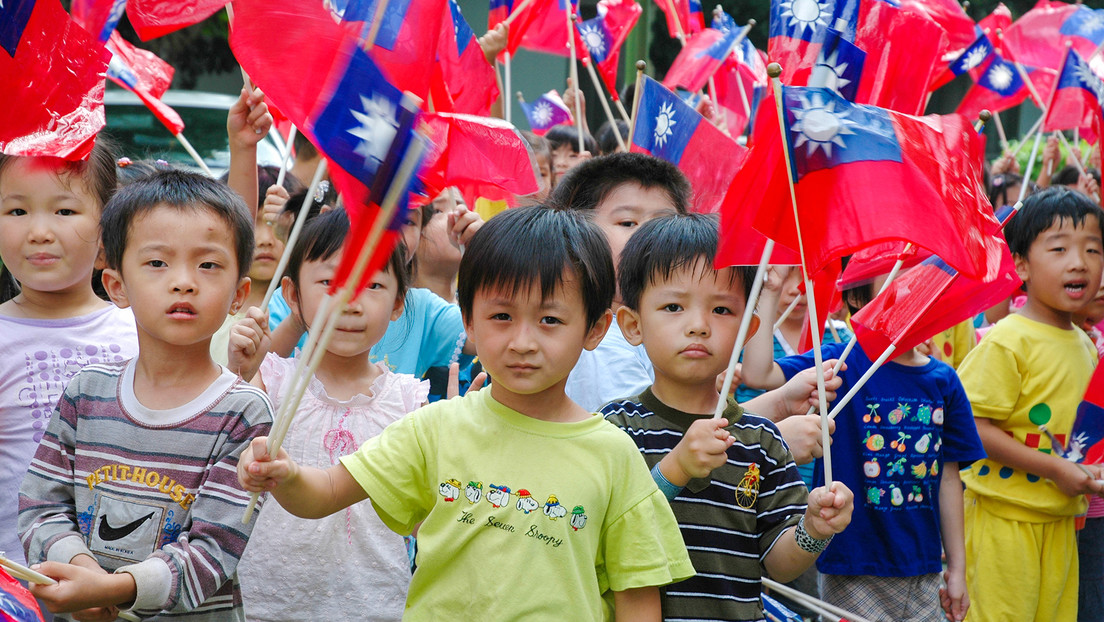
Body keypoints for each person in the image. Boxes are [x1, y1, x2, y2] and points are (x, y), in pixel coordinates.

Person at [237, 206, 694, 620]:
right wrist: (287, 475)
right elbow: (328, 491)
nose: (523, 342)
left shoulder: (614, 455)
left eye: (550, 320)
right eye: (501, 317)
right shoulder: (436, 426)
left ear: (595, 328)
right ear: (469, 321)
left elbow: (637, 592)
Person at [18, 170, 275, 621]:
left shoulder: (243, 412)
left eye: (207, 265)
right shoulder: (86, 391)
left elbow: (214, 551)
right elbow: (41, 503)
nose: (183, 282)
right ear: (117, 285)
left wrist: (113, 589)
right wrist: (80, 572)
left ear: (240, 293)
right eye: (157, 263)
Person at [600, 213, 854, 622]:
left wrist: (814, 529)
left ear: (748, 329)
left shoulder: (762, 440)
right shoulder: (615, 427)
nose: (698, 325)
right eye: (672, 306)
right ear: (632, 324)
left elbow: (778, 562)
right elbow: (607, 533)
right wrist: (674, 470)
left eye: (721, 309)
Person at [743, 270, 985, 622]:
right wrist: (769, 291)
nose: (912, 289)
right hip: (851, 565)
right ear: (857, 298)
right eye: (898, 280)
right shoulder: (840, 363)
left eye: (922, 280)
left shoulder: (944, 380)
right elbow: (758, 374)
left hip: (924, 568)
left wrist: (957, 570)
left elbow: (949, 480)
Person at [229, 209, 426, 621]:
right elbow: (224, 451)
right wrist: (237, 374)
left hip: (374, 604)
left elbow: (424, 514)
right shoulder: (272, 381)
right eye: (331, 282)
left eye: (373, 284)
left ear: (397, 303)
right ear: (293, 294)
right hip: (268, 603)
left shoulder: (409, 401)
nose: (351, 302)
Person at [957, 186, 1104, 622]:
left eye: (1093, 250)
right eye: (1058, 248)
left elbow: (1078, 433)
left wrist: (1086, 470)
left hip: (1060, 525)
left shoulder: (1084, 344)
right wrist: (1056, 469)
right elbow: (972, 427)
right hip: (1005, 521)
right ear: (1020, 264)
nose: (1079, 262)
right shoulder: (1008, 339)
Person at [0, 141, 140, 568]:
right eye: (17, 211)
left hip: (133, 580)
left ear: (107, 228)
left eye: (64, 211)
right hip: (21, 581)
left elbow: (217, 258)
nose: (39, 231)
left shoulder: (140, 327)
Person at [549, 152, 690, 412]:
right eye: (628, 222)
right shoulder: (600, 345)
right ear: (577, 232)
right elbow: (649, 441)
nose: (649, 236)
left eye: (665, 223)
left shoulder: (674, 330)